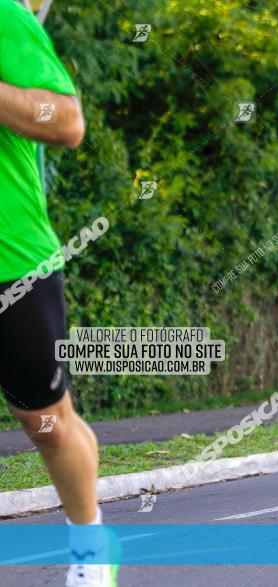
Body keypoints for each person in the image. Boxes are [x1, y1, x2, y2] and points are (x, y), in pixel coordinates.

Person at [0, 3, 118, 586]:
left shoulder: (4, 19)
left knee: (46, 423)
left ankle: (90, 547)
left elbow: (67, 122)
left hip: (12, 262)